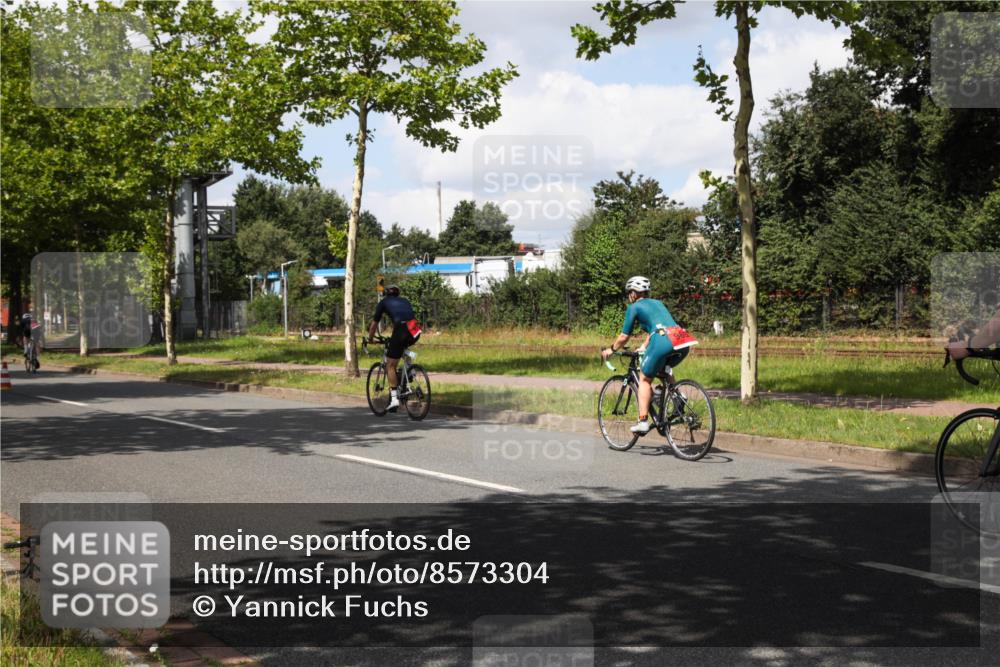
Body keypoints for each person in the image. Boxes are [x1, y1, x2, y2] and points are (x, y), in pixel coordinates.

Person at [601, 276, 697, 434]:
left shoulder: (634, 307)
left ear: (633, 293)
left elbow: (624, 337)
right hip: (681, 339)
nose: (629, 296)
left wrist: (611, 350)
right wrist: (643, 347)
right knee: (664, 368)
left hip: (662, 341)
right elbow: (658, 327)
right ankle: (677, 396)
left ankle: (643, 421)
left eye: (629, 292)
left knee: (645, 379)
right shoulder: (658, 303)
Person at [367, 285, 422, 411]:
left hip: (401, 329)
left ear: (386, 294)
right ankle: (409, 370)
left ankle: (394, 399)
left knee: (390, 365)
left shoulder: (383, 302)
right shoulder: (405, 300)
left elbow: (374, 324)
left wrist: (370, 339)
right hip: (415, 329)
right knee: (403, 347)